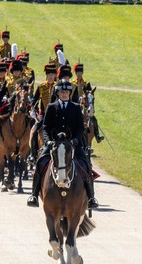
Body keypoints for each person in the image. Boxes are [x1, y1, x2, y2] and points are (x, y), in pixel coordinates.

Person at [27, 79, 98, 209]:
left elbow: (80, 128)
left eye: (66, 92)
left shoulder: (75, 107)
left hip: (72, 144)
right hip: (54, 143)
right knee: (40, 163)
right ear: (57, 93)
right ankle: (34, 194)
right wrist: (48, 141)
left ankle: (91, 197)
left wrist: (76, 140)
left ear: (69, 93)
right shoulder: (51, 107)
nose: (64, 94)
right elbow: (46, 127)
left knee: (86, 164)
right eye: (62, 92)